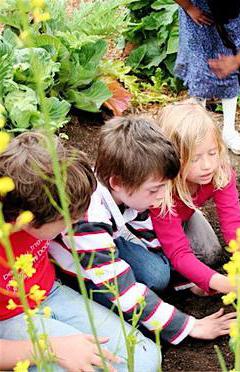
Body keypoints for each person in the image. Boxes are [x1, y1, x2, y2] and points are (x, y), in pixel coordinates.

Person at [49, 116, 235, 346]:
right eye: (155, 189)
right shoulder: (87, 221)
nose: (162, 195)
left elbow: (154, 242)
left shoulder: (133, 189)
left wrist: (191, 283)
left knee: (158, 273)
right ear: (116, 182)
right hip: (80, 269)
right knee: (133, 298)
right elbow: (123, 291)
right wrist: (190, 326)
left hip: (109, 241)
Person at [0, 132, 160, 371]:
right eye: (67, 219)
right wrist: (49, 348)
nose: (76, 222)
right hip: (7, 320)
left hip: (49, 292)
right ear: (29, 220)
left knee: (145, 358)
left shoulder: (34, 194)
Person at [151, 102, 240, 295]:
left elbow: (233, 222)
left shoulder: (219, 174)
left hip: (182, 217)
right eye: (194, 158)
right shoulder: (160, 191)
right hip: (143, 229)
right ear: (172, 158)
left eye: (212, 153)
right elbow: (179, 253)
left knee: (210, 254)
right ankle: (184, 285)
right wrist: (224, 284)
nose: (207, 165)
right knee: (158, 273)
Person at [174, 0, 240, 155]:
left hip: (230, 27)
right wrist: (189, 7)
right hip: (196, 17)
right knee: (199, 71)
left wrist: (236, 61)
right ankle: (198, 133)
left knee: (229, 72)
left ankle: (229, 132)